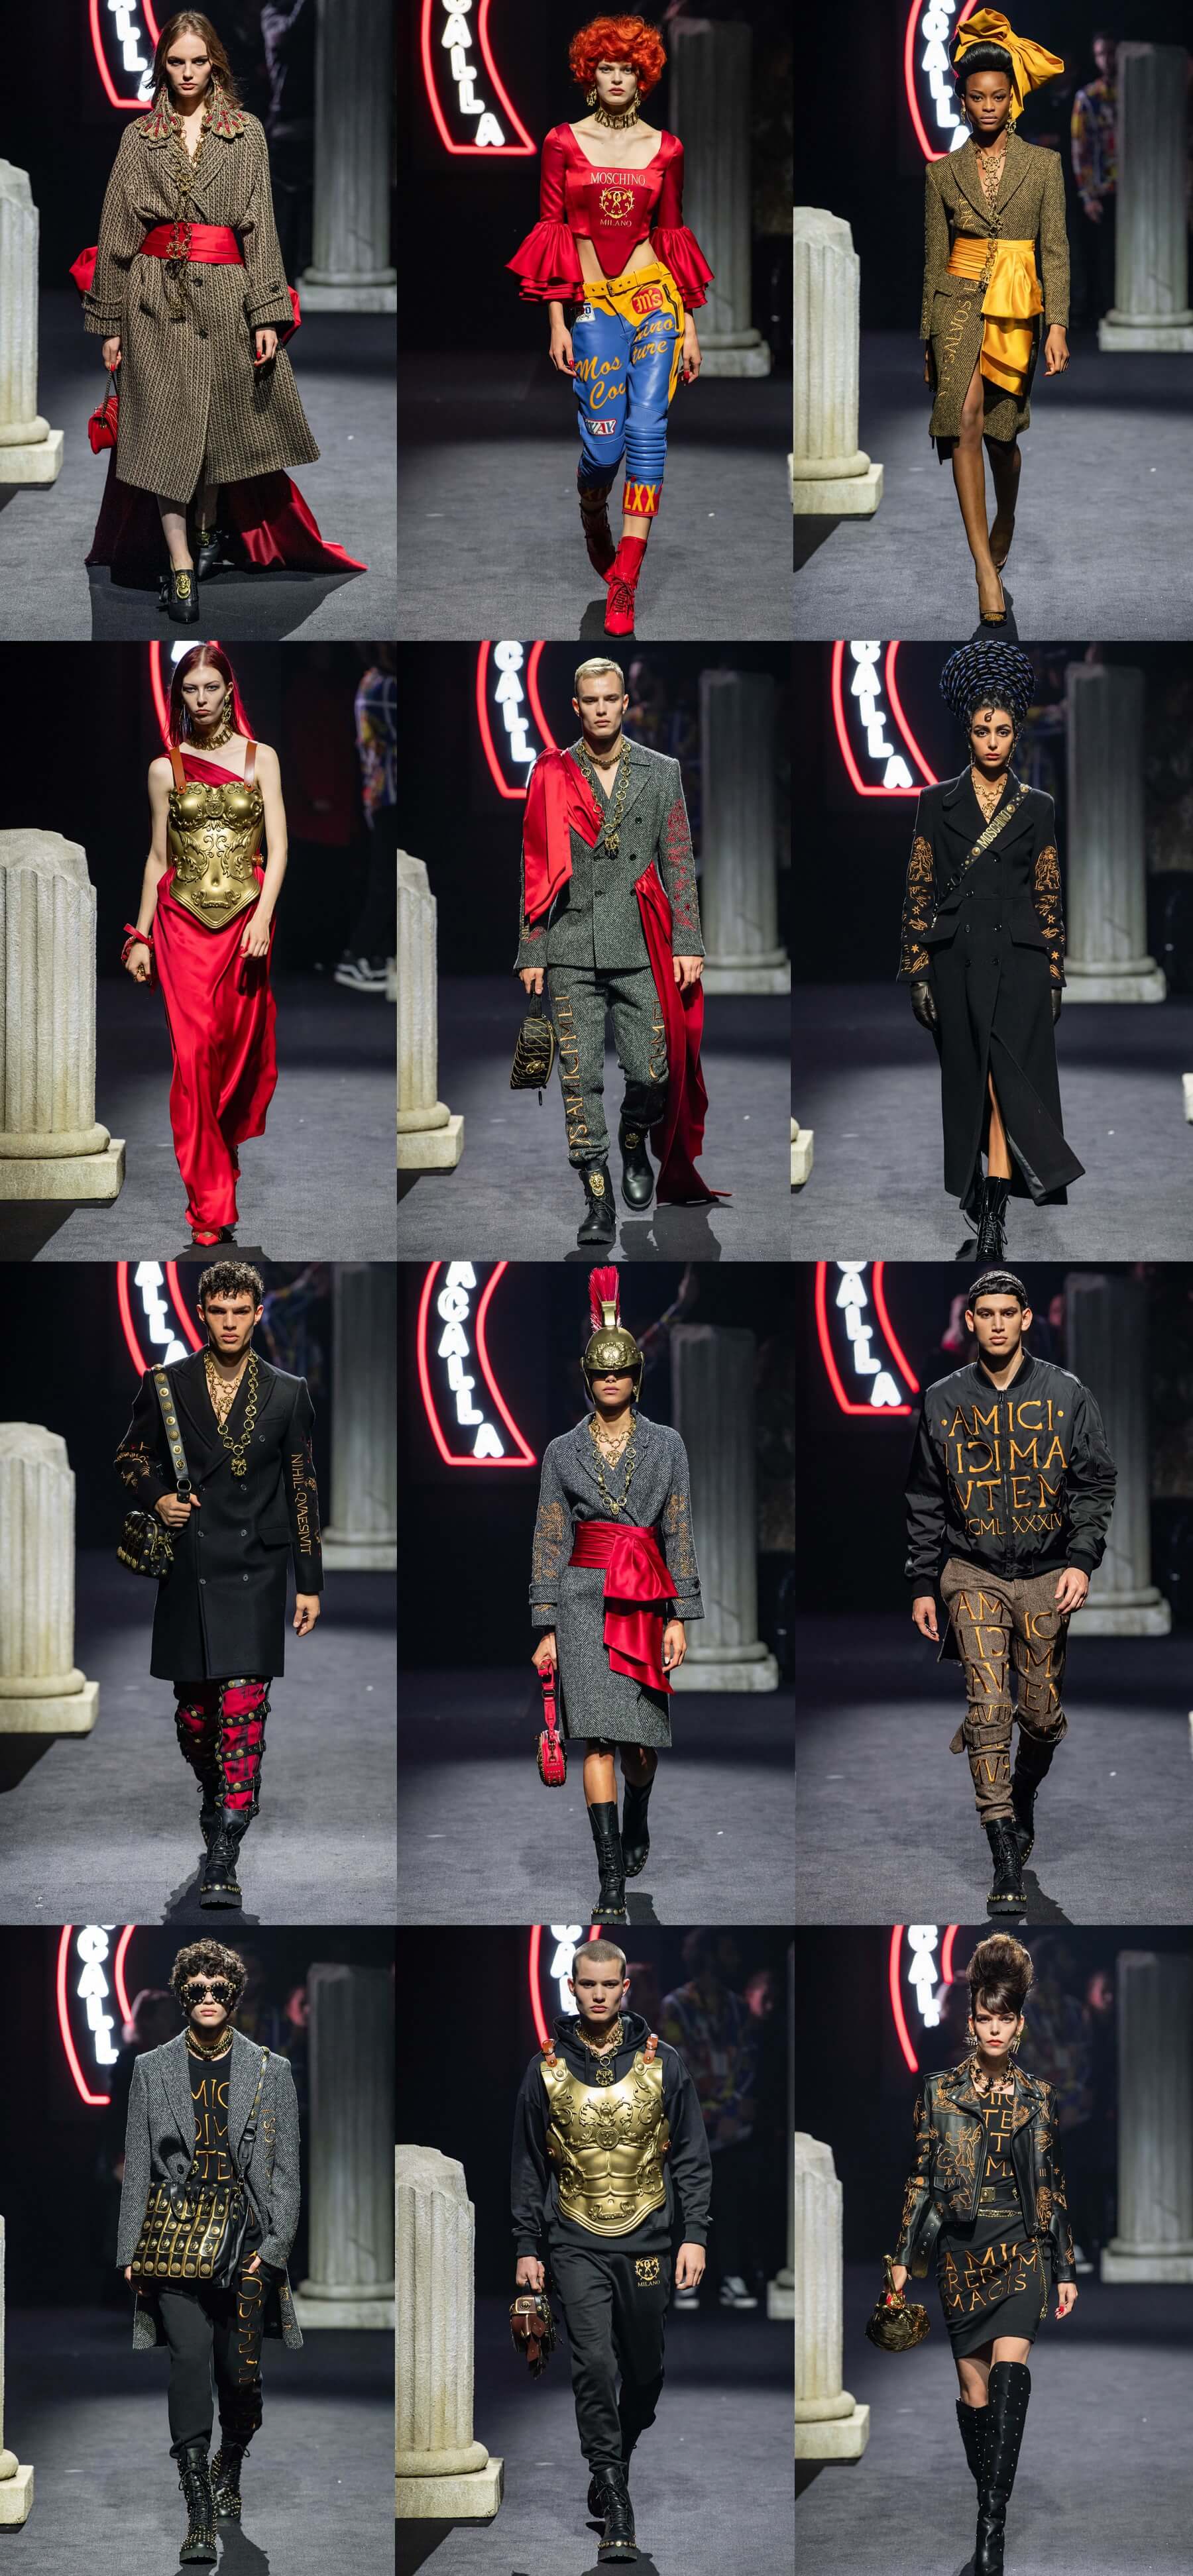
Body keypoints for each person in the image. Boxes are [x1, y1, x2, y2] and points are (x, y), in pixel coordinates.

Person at [75, 9, 362, 610]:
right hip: (153, 298)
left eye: (198, 61)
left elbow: (260, 229)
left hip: (227, 297)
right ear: (162, 65)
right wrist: (109, 324)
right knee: (163, 430)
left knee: (214, 429)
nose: (187, 73)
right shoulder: (139, 137)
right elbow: (117, 229)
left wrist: (266, 314)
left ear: (216, 66)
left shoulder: (246, 134)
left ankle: (208, 528)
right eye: (176, 62)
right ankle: (180, 562)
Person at [905, 1269, 1116, 1910]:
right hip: (972, 1570)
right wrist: (923, 1580)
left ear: (1025, 1319)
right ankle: (1003, 1859)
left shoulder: (1067, 1394)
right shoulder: (943, 1400)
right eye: (986, 1314)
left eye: (1008, 1313)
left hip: (1048, 1571)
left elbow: (1094, 1482)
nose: (997, 1324)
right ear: (970, 1320)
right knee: (989, 1708)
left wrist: (1082, 1560)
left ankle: (1022, 1793)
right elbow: (925, 1494)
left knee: (1042, 1717)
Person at [114, 1261, 323, 1909]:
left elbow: (302, 1488)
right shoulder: (167, 1385)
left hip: (256, 1569)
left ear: (258, 1314)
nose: (230, 1323)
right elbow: (130, 1456)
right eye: (219, 1311)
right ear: (202, 1313)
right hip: (190, 1567)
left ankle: (226, 1850)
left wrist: (309, 1582)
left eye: (241, 1311)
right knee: (196, 1718)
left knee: (242, 1713)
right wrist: (158, 1497)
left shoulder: (288, 1392)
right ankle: (216, 1795)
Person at [508, 13, 712, 638]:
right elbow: (552, 232)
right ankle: (592, 509)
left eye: (627, 67)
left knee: (647, 432)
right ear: (589, 74)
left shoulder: (667, 148)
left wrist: (690, 325)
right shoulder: (562, 142)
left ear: (643, 75)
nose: (617, 77)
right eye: (606, 67)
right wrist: (557, 320)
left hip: (654, 300)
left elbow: (671, 236)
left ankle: (627, 575)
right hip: (594, 305)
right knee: (603, 447)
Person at [512, 1939, 712, 2562]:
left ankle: (615, 2457)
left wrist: (696, 2235)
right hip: (573, 2238)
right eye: (587, 1984)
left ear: (626, 1988)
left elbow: (692, 2156)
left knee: (646, 2374)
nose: (598, 1994)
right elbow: (528, 2163)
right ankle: (615, 2498)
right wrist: (527, 2245)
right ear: (571, 1987)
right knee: (594, 2365)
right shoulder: (543, 2068)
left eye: (609, 1985)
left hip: (648, 2236)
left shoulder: (666, 2063)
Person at [887, 1935, 1076, 2576]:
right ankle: (988, 2502)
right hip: (961, 2255)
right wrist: (901, 2256)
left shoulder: (1039, 2097)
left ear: (1019, 2024)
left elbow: (1051, 2183)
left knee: (1007, 2374)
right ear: (970, 2022)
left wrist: (1064, 2266)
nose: (995, 2029)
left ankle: (990, 2531)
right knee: (974, 2394)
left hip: (1022, 2247)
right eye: (985, 2018)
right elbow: (921, 2179)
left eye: (1005, 2019)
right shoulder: (938, 2094)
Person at [517, 655, 720, 1245]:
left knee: (653, 1072)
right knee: (578, 1081)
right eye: (591, 700)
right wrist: (531, 948)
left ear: (626, 703)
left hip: (639, 942)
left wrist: (689, 940)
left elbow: (678, 860)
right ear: (575, 707)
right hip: (570, 943)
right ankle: (597, 1198)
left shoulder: (661, 771)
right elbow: (533, 866)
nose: (602, 709)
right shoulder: (551, 774)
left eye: (611, 699)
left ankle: (634, 1138)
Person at [117, 1938, 302, 2561]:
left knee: (240, 2377)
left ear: (235, 1994)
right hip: (175, 2240)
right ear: (181, 1995)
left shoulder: (271, 2070)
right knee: (190, 2362)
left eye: (219, 1988)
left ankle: (232, 2459)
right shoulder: (152, 2068)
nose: (208, 1998)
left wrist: (274, 2249)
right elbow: (138, 2166)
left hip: (246, 2243)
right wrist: (129, 2251)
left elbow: (286, 2173)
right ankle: (198, 2509)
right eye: (196, 1989)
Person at [898, 640, 1084, 1255]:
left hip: (1020, 963)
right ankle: (979, 1194)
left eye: (1003, 731)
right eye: (983, 730)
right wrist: (917, 971)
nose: (993, 742)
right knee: (970, 1083)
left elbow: (1048, 891)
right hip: (955, 962)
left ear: (1016, 734)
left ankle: (994, 1217)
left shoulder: (1038, 807)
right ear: (968, 733)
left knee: (1006, 1087)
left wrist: (1054, 972)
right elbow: (919, 887)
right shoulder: (935, 803)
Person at [529, 1271, 703, 1921]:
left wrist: (681, 1615)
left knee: (639, 1747)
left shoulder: (668, 1445)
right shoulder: (562, 1451)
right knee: (596, 1742)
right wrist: (546, 1624)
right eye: (601, 1373)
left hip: (644, 1601)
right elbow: (550, 1535)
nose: (611, 1381)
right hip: (582, 1600)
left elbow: (678, 1527)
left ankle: (641, 1806)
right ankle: (608, 1880)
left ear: (636, 1377)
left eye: (621, 1372)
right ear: (588, 1379)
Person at [122, 645, 285, 1246]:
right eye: (190, 689)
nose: (201, 699)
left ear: (229, 689)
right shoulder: (164, 769)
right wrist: (141, 936)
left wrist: (263, 917)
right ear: (179, 696)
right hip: (180, 929)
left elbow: (280, 849)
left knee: (235, 1061)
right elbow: (157, 857)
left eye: (211, 687)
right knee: (192, 1063)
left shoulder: (260, 757)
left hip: (245, 926)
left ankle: (221, 1153)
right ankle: (210, 1208)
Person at [921, 12, 1069, 626]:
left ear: (1012, 100)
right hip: (956, 306)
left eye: (998, 96)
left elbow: (1054, 250)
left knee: (1002, 441)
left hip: (1016, 310)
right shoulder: (941, 173)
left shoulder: (1044, 166)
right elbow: (933, 259)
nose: (988, 106)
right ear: (963, 101)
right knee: (962, 423)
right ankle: (984, 568)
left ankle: (1006, 514)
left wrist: (1057, 324)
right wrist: (927, 339)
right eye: (978, 97)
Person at [660, 1931, 762, 2310]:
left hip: (732, 2127)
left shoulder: (738, 2007)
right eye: (727, 1949)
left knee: (733, 2201)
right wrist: (704, 2114)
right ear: (708, 1956)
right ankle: (685, 2279)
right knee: (685, 2197)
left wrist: (732, 2111)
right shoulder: (676, 2006)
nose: (734, 1956)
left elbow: (749, 2063)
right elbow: (679, 2066)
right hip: (691, 2121)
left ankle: (731, 2276)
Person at [335, 646, 398, 993]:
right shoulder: (382, 686)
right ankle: (358, 955)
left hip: (381, 795)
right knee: (385, 883)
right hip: (388, 796)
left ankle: (376, 957)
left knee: (388, 881)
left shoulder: (373, 681)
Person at [1070, 34, 1117, 325]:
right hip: (1103, 188)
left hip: (1136, 189)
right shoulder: (1088, 97)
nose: (1107, 60)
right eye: (1101, 54)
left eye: (1110, 53)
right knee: (1104, 255)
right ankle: (1105, 311)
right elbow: (1080, 148)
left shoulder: (1136, 93)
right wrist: (1087, 194)